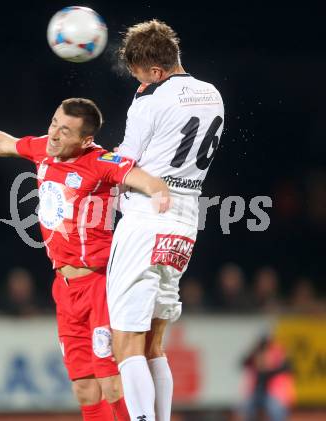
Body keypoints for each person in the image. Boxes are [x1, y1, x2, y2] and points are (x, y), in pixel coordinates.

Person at [0, 98, 170, 421]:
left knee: (111, 384)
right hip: (65, 289)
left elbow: (138, 176)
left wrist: (158, 190)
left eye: (64, 131)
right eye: (54, 123)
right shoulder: (44, 151)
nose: (53, 134)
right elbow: (2, 143)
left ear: (85, 140)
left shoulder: (99, 161)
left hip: (100, 287)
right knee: (84, 389)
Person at [106, 20, 225, 420]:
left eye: (139, 75)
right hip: (186, 217)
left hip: (145, 216)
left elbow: (126, 161)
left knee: (126, 342)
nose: (137, 83)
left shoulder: (149, 101)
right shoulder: (212, 93)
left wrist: (97, 159)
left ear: (155, 71)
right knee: (155, 343)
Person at [240, 335, 295, 421]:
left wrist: (270, 370)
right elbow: (243, 363)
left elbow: (288, 367)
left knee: (276, 410)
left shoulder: (277, 353)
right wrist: (254, 351)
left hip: (275, 394)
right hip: (257, 393)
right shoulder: (256, 354)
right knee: (246, 408)